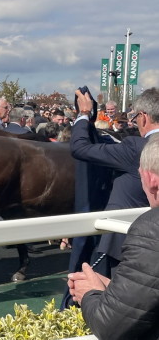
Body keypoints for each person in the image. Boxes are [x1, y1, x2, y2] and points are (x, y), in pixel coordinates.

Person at [67, 134, 159, 340]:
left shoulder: (151, 228)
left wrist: (90, 293)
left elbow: (109, 327)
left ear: (151, 180)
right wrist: (116, 291)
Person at [69, 87, 158, 276]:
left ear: (143, 117)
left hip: (124, 241)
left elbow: (80, 149)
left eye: (135, 119)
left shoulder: (136, 147)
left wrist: (84, 114)